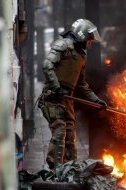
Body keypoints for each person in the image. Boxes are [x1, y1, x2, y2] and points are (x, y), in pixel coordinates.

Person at [38, 19, 108, 169]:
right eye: (89, 40)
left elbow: (82, 85)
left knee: (70, 134)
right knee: (60, 130)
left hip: (67, 99)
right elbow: (47, 65)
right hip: (53, 97)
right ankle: (55, 169)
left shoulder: (81, 56)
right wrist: (56, 88)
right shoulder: (63, 45)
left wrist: (97, 101)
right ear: (82, 36)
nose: (90, 43)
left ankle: (70, 169)